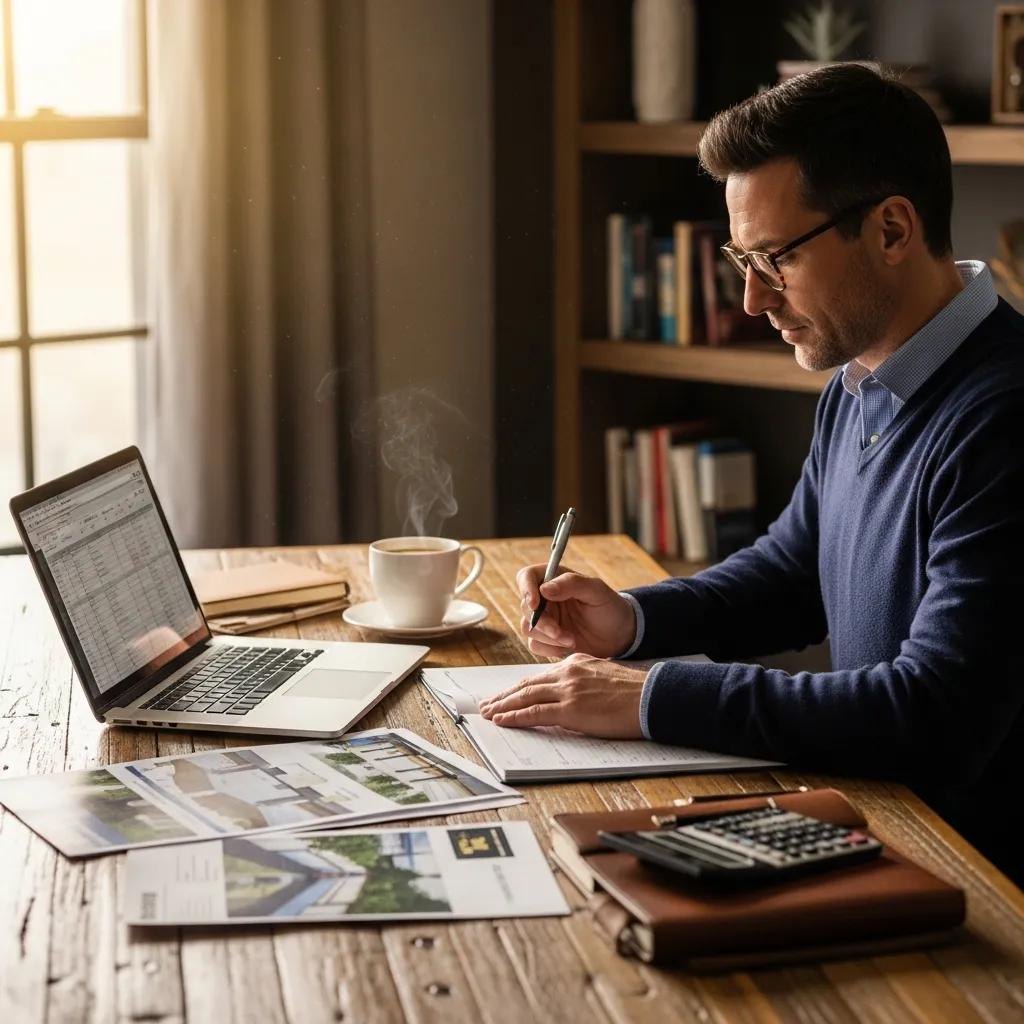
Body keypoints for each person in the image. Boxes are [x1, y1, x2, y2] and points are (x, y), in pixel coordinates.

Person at [479, 64, 1024, 884]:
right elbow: (793, 572)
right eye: (743, 258)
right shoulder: (865, 376)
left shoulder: (1006, 418)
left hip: (976, 883)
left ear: (891, 229)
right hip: (885, 823)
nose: (750, 301)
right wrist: (630, 622)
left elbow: (932, 712)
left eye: (775, 259)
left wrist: (649, 697)